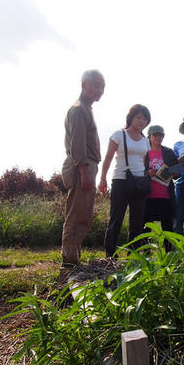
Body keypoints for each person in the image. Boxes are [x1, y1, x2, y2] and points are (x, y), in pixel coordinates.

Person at [61, 69, 105, 267]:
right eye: (96, 85)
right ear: (83, 85)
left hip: (87, 166)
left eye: (103, 86)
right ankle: (69, 260)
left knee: (85, 214)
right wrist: (84, 172)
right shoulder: (79, 109)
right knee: (77, 213)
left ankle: (74, 255)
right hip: (82, 166)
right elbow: (77, 145)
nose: (100, 90)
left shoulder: (87, 109)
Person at [98, 104, 151, 258]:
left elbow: (145, 161)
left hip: (140, 183)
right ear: (131, 118)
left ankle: (132, 256)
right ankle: (110, 255)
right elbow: (108, 157)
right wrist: (102, 179)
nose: (142, 121)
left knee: (136, 222)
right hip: (121, 180)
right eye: (139, 117)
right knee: (116, 218)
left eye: (145, 119)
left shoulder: (145, 140)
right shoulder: (119, 135)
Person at [142, 125, 178, 251]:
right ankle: (145, 254)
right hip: (148, 195)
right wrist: (147, 172)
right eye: (155, 135)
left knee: (167, 228)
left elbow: (177, 172)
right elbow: (138, 170)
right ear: (149, 136)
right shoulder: (144, 152)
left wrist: (170, 172)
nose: (158, 137)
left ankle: (168, 254)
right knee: (146, 227)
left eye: (161, 135)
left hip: (166, 196)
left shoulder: (168, 152)